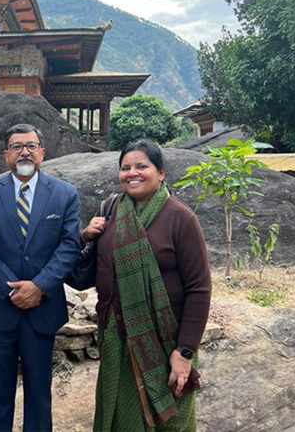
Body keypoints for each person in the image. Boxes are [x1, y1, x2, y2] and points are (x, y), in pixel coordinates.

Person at [82, 140, 211, 431]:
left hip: (166, 342)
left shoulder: (181, 218)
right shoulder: (111, 212)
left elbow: (199, 290)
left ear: (161, 172)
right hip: (117, 338)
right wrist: (85, 237)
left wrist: (185, 351)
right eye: (125, 168)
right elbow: (87, 275)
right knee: (120, 417)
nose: (132, 173)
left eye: (142, 166)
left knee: (170, 422)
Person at [0, 124, 82, 432]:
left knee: (39, 391)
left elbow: (69, 245)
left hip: (42, 309)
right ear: (6, 155)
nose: (25, 152)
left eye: (31, 146)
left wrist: (40, 286)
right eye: (17, 146)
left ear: (42, 152)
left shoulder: (64, 194)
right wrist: (11, 291)